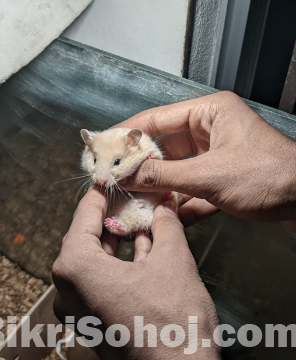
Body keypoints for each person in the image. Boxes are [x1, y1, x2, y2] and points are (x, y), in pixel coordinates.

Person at [52, 91, 296, 359]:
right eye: (96, 162)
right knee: (123, 213)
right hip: (132, 207)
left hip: (151, 204)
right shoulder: (101, 149)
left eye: (117, 163)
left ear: (132, 142)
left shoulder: (140, 145)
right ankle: (122, 225)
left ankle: (125, 224)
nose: (100, 176)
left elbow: (154, 154)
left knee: (144, 211)